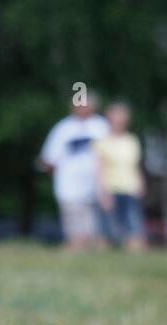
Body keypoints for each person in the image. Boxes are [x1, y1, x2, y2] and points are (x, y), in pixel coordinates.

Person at [39, 95, 110, 250]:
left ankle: (88, 248)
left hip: (96, 185)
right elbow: (49, 159)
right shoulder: (63, 128)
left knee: (93, 223)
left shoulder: (101, 126)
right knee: (73, 220)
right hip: (69, 185)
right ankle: (74, 246)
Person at [96, 102, 146, 251]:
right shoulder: (103, 141)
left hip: (130, 188)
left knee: (134, 226)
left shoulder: (132, 140)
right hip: (111, 188)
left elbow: (136, 165)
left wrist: (140, 183)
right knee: (106, 229)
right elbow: (99, 169)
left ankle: (134, 253)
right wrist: (103, 191)